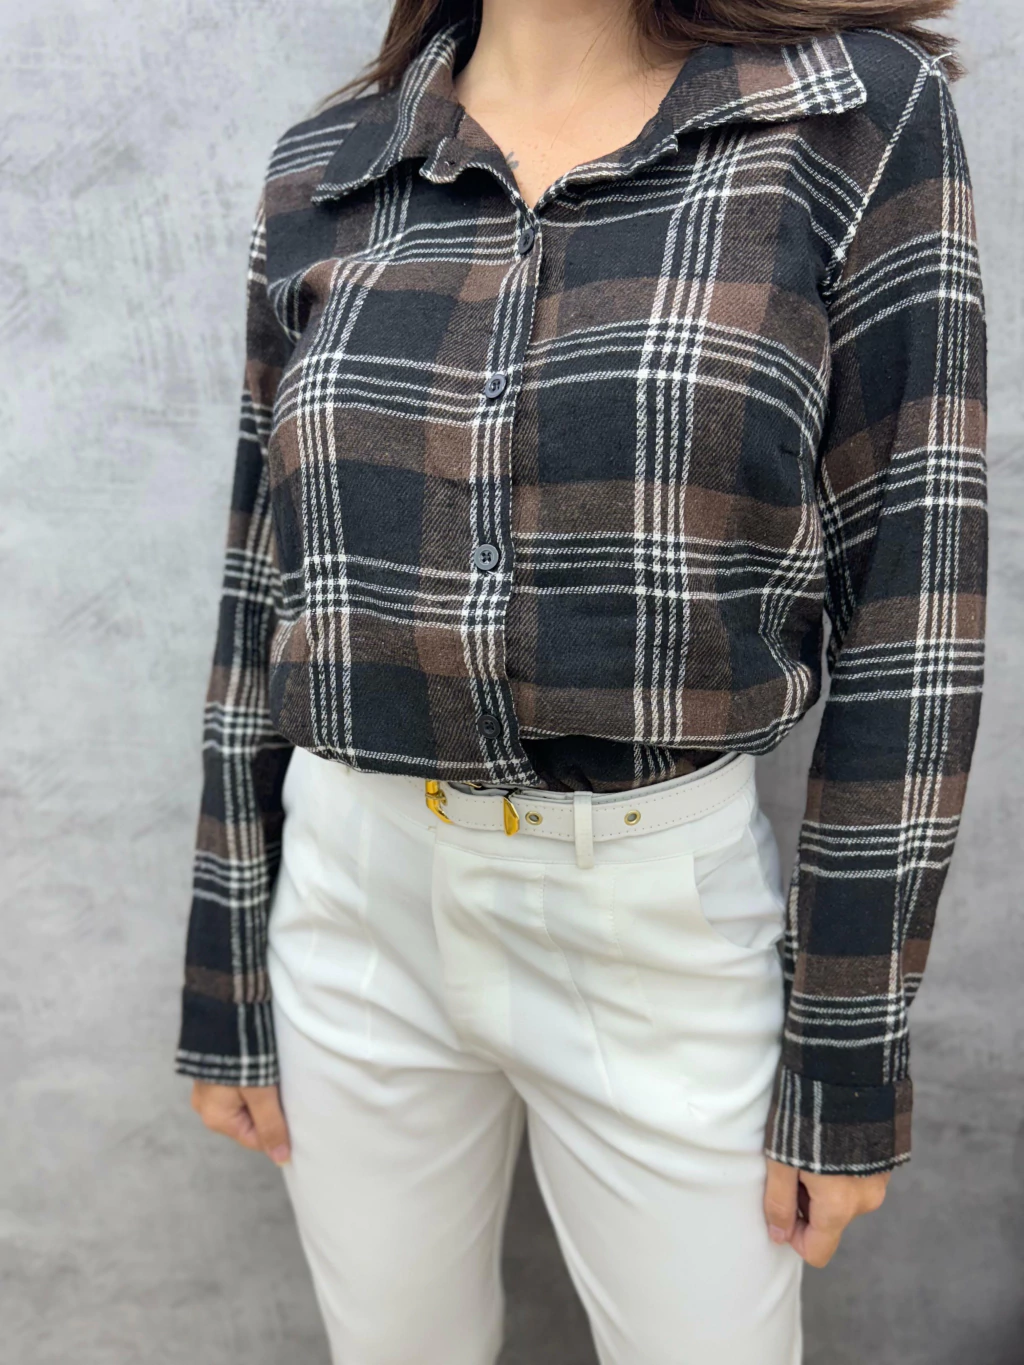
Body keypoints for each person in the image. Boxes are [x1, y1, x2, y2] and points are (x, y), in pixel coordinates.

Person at [176, 1, 987, 1360]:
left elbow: (916, 608)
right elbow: (264, 583)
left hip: (653, 922)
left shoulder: (849, 115)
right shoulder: (331, 165)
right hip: (352, 907)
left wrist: (847, 1057)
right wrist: (226, 979)